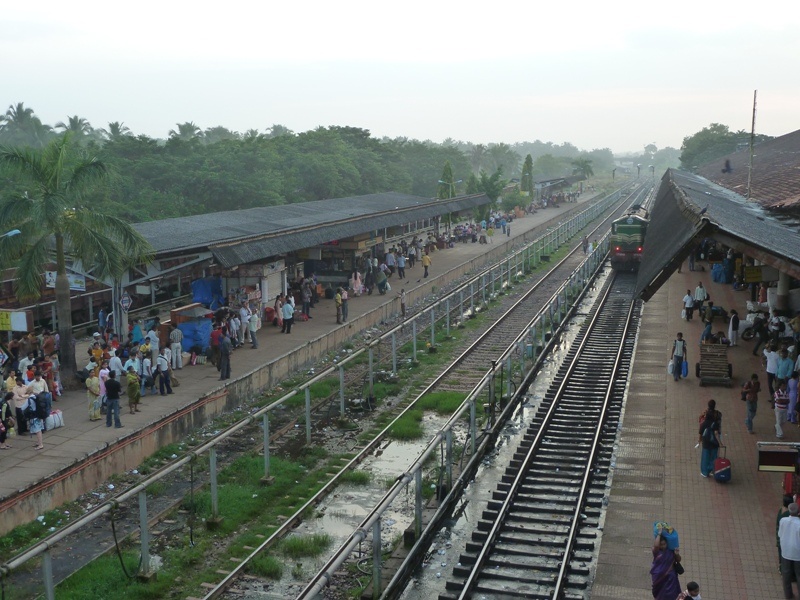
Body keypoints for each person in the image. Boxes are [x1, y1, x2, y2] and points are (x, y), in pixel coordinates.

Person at [650, 531, 682, 599]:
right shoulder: (657, 552)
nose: (662, 546)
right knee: (660, 593)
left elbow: (678, 560)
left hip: (670, 577)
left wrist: (676, 554)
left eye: (664, 544)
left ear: (667, 543)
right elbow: (656, 545)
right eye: (661, 544)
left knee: (672, 593)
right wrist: (659, 534)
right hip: (658, 576)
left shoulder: (671, 551)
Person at [779, 503, 800, 599]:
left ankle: (788, 595)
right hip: (797, 554)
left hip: (786, 552)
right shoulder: (799, 524)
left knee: (786, 574)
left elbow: (780, 534)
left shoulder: (783, 520)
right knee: (798, 575)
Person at [698, 399, 722, 477]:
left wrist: (699, 440)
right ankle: (712, 469)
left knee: (705, 457)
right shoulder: (716, 420)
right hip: (714, 443)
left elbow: (700, 433)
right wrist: (720, 443)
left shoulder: (703, 423)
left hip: (706, 442)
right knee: (714, 456)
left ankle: (705, 472)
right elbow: (716, 433)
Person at [778, 494, 794, 572]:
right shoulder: (787, 515)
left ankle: (781, 568)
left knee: (781, 553)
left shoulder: (781, 511)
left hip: (781, 537)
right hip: (786, 538)